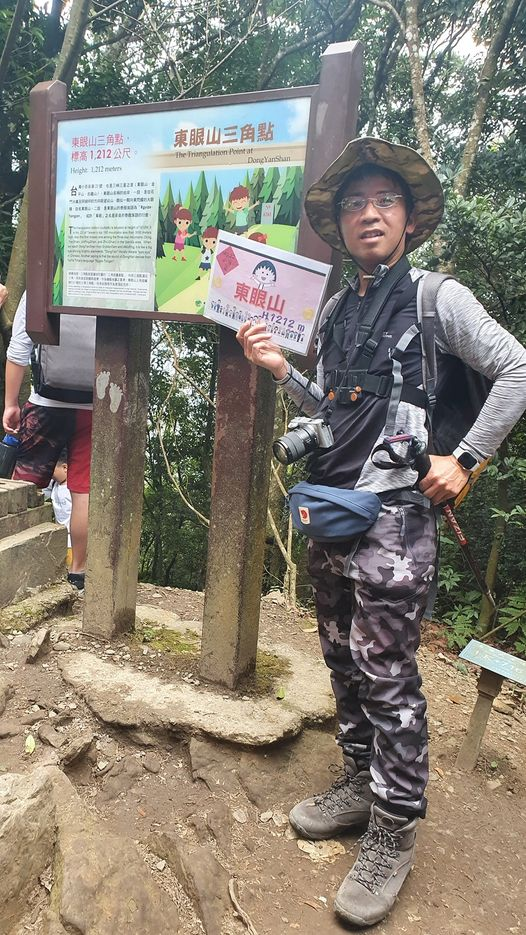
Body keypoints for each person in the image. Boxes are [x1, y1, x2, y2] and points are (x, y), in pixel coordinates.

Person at [237, 137, 526, 927]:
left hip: (398, 520)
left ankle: (394, 829)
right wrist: (280, 370)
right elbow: (332, 412)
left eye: (385, 200)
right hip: (334, 509)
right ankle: (361, 783)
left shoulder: (438, 299)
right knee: (340, 654)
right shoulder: (337, 310)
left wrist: (465, 459)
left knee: (386, 670)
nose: (369, 213)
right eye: (355, 202)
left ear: (408, 218)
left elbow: (518, 368)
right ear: (339, 222)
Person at [3, 292, 93, 591]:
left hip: (46, 403)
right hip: (94, 404)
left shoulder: (44, 281)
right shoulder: (119, 282)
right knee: (83, 491)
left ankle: (13, 563)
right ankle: (78, 572)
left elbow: (19, 349)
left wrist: (11, 403)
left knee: (23, 485)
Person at [43, 450, 73, 565]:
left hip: (72, 540)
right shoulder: (54, 484)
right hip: (59, 535)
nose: (49, 473)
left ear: (65, 467)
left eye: (51, 470)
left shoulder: (73, 489)